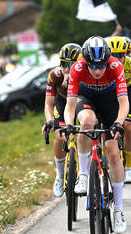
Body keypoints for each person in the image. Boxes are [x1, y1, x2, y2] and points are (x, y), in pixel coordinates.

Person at [63, 36, 129, 233]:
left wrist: (118, 123)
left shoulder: (116, 66)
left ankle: (118, 210)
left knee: (113, 152)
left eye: (101, 66)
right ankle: (83, 175)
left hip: (111, 103)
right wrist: (67, 124)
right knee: (86, 123)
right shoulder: (78, 68)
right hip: (87, 98)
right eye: (93, 66)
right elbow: (70, 105)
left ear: (107, 60)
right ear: (86, 62)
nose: (98, 71)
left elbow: (124, 103)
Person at [42, 43, 81, 197]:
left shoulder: (86, 74)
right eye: (64, 64)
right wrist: (50, 120)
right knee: (59, 135)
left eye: (71, 65)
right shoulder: (55, 76)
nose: (67, 69)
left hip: (80, 102)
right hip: (63, 102)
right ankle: (59, 175)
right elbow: (48, 103)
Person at [108, 36, 131, 183]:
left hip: (127, 93)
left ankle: (128, 169)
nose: (117, 59)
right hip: (110, 93)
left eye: (120, 55)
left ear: (126, 54)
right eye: (113, 55)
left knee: (128, 126)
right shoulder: (105, 66)